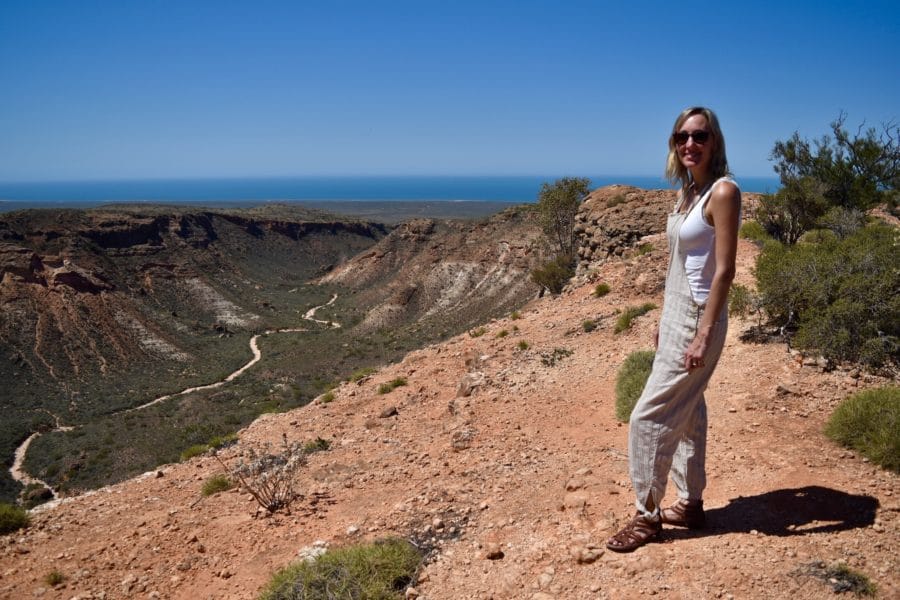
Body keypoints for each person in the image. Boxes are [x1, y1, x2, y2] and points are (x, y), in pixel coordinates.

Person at [606, 106, 742, 552]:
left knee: (648, 415)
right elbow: (680, 264)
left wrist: (702, 332)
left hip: (700, 316)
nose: (690, 144)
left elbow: (724, 271)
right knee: (690, 411)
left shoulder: (723, 191)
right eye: (682, 136)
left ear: (714, 141)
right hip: (678, 315)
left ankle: (647, 517)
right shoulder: (689, 193)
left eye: (699, 136)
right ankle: (690, 503)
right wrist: (666, 320)